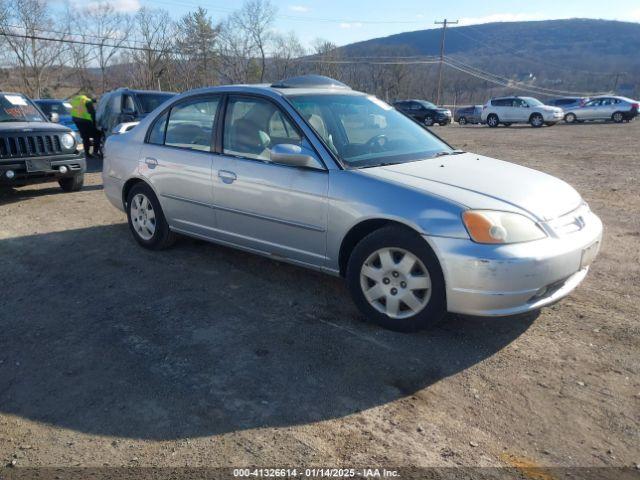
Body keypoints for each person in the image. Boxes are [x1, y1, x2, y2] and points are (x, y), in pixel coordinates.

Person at [69, 93, 100, 157]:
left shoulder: (75, 99)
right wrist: (95, 125)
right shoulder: (87, 100)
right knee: (97, 135)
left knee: (85, 137)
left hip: (76, 120)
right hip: (85, 120)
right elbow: (92, 113)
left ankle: (87, 153)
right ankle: (95, 152)